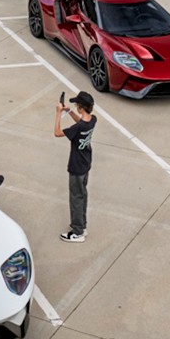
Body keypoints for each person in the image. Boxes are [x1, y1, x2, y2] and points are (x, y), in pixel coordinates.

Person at [56, 91, 96, 242]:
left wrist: (58, 113)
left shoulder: (77, 128)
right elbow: (80, 122)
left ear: (81, 107)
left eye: (76, 105)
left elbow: (57, 132)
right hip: (86, 164)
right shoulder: (92, 120)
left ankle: (77, 232)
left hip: (76, 167)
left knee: (76, 198)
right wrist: (69, 111)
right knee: (82, 195)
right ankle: (82, 226)